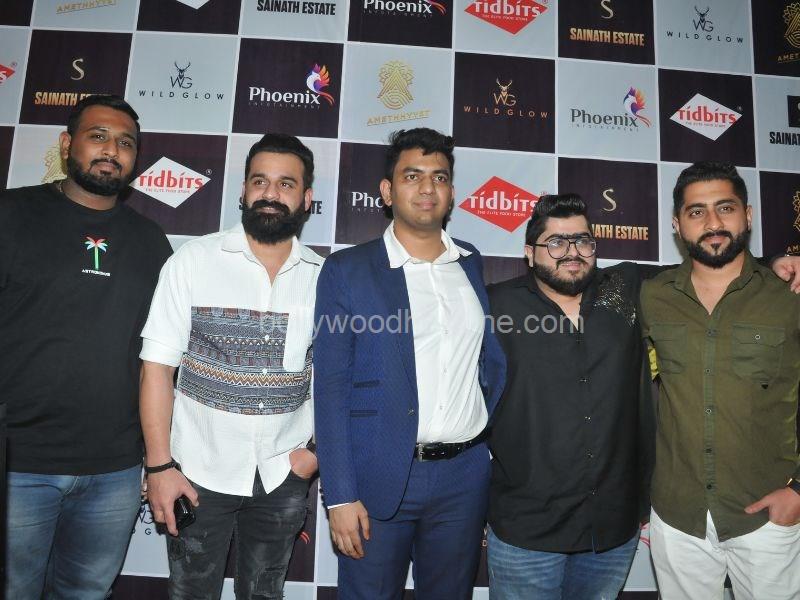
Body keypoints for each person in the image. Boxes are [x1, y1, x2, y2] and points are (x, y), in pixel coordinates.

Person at [313, 127, 506, 599]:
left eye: (439, 177)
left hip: (464, 476)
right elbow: (331, 389)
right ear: (387, 190)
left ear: (452, 192)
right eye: (412, 176)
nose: (427, 188)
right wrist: (339, 494)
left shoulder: (469, 263)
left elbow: (484, 364)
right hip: (377, 475)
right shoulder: (347, 270)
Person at [0, 94, 172, 599]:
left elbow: (160, 360)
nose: (111, 151)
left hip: (114, 469)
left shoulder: (152, 242)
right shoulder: (11, 214)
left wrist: (155, 458)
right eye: (98, 136)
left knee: (86, 593)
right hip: (18, 465)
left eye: (125, 143)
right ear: (65, 144)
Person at [140, 133, 321, 600]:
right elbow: (156, 368)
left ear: (306, 199)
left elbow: (334, 380)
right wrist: (160, 466)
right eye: (260, 181)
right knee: (191, 594)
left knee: (264, 595)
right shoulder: (193, 261)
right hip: (196, 470)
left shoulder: (324, 278)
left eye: (286, 184)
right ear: (243, 191)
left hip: (283, 474)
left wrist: (312, 455)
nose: (270, 193)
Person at [641, 161, 800, 599]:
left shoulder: (788, 297)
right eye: (697, 212)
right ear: (677, 225)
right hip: (678, 517)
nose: (713, 223)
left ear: (747, 215)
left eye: (725, 208)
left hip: (767, 515)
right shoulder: (651, 295)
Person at [486, 194, 654, 600]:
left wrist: (776, 262)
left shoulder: (625, 290)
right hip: (527, 530)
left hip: (611, 529)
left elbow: (707, 271)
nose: (572, 252)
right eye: (556, 243)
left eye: (582, 241)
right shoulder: (494, 305)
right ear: (529, 253)